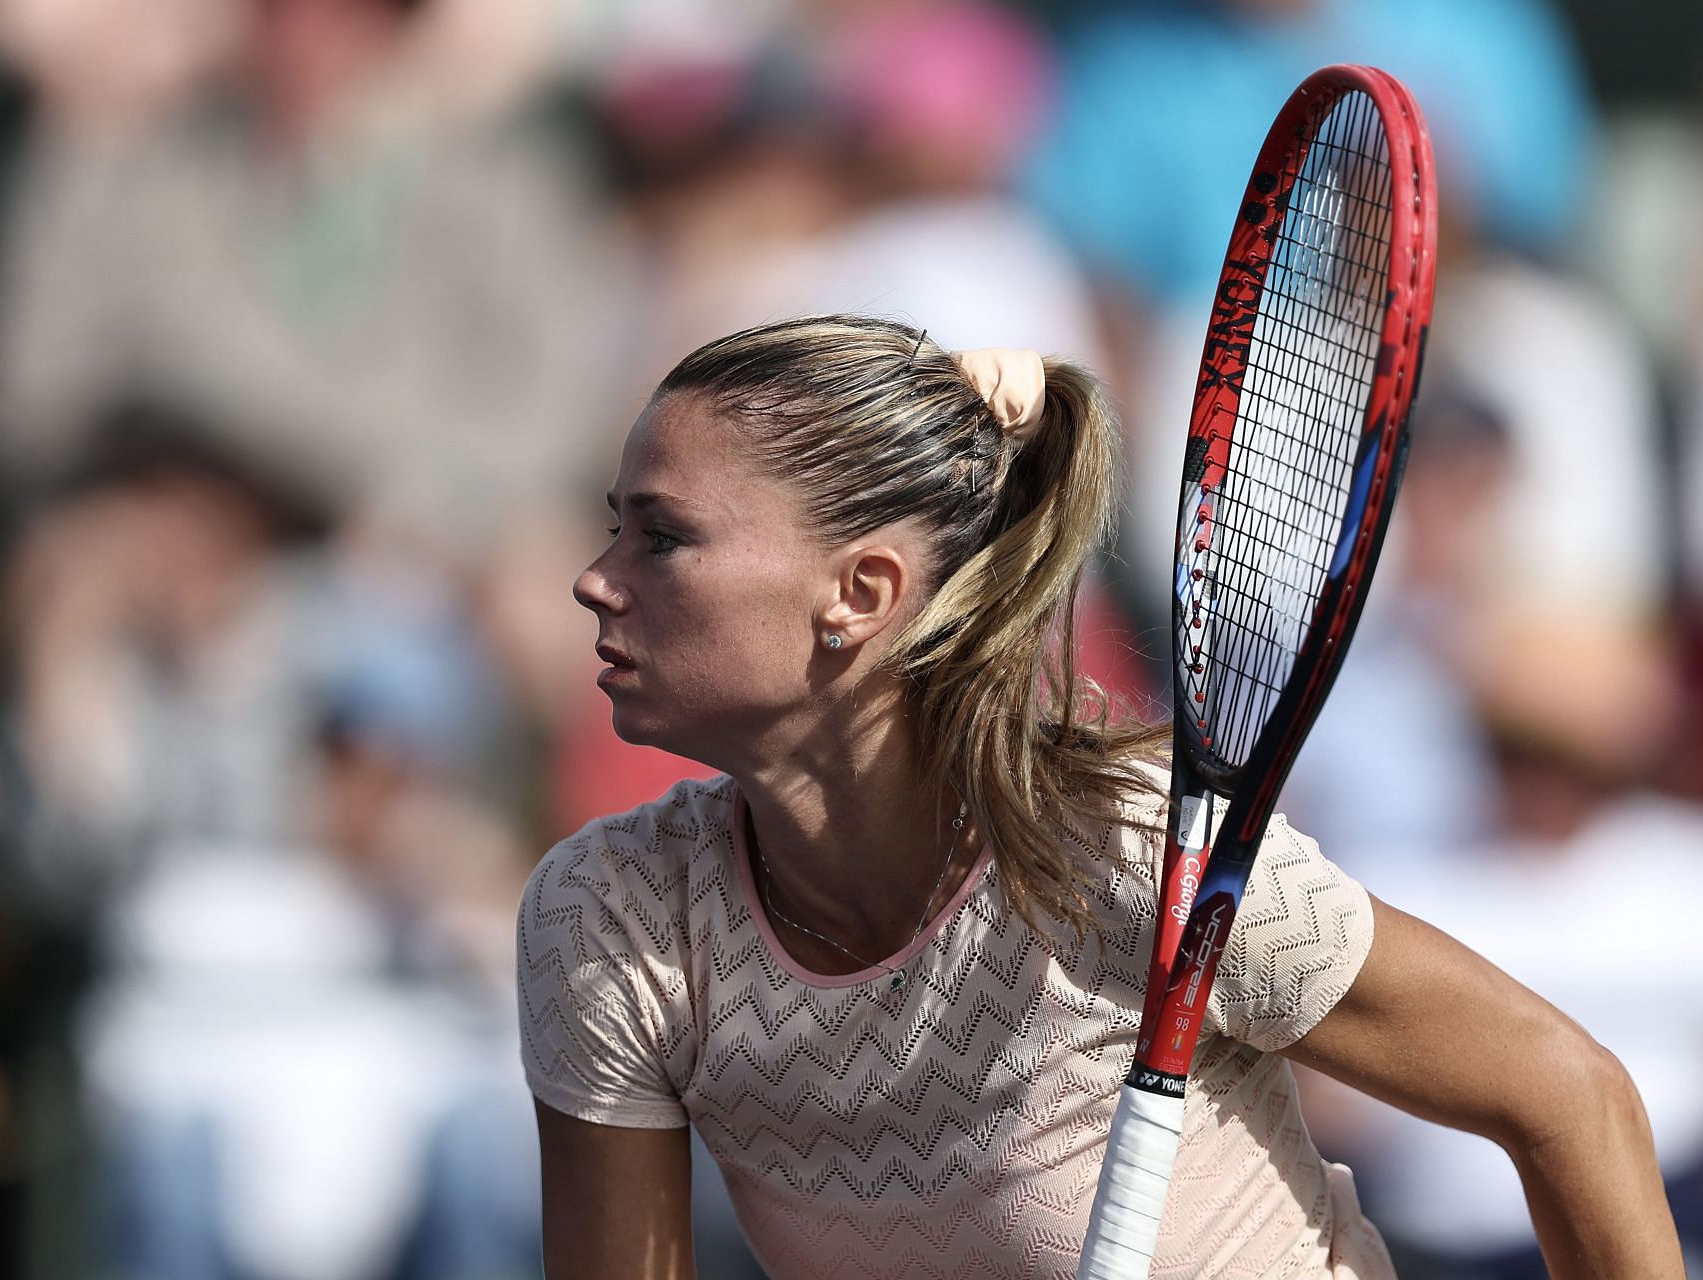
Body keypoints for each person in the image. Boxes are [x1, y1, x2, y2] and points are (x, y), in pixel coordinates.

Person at [514, 315, 1680, 1278]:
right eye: (617, 526)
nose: (594, 578)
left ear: (859, 593)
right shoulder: (609, 915)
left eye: (660, 537)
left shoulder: (1144, 853)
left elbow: (1571, 1097)